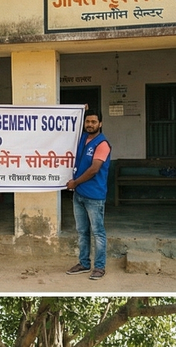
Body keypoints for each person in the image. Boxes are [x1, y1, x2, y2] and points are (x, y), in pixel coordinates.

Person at [64, 112, 113, 280]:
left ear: (100, 123)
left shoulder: (103, 144)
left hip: (94, 196)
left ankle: (99, 267)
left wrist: (75, 183)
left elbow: (94, 169)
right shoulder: (83, 138)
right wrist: (79, 109)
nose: (90, 124)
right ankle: (84, 263)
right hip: (79, 195)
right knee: (82, 231)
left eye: (94, 121)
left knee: (98, 232)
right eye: (87, 121)